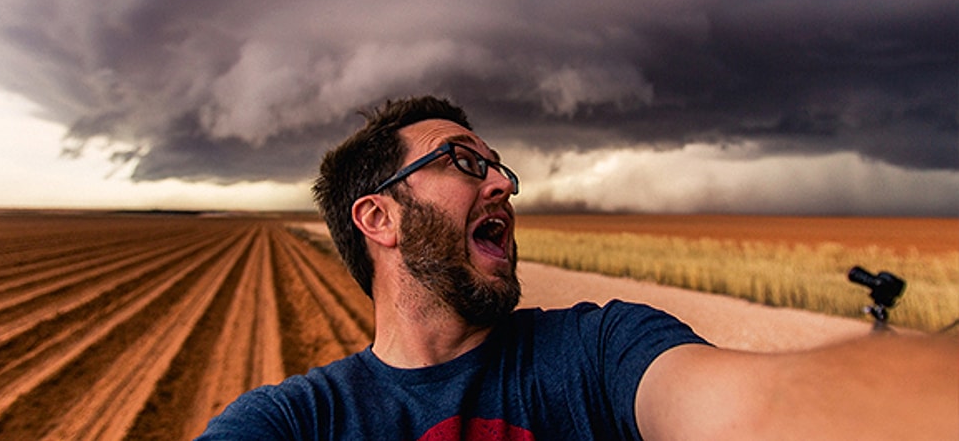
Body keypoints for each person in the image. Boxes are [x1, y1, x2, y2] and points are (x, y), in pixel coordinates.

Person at [198, 96, 957, 440]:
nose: (502, 184)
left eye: (501, 169)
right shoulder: (300, 422)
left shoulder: (598, 353)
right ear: (378, 218)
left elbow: (758, 409)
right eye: (464, 162)